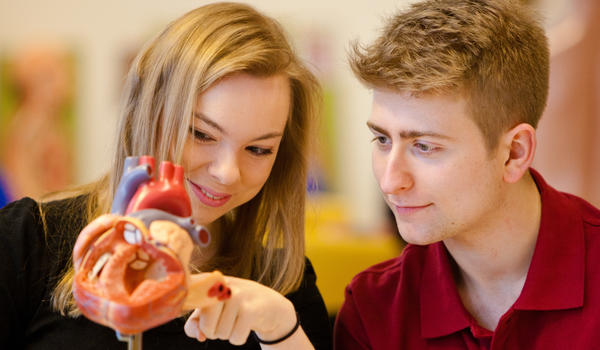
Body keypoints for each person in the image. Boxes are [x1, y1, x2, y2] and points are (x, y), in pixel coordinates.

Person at [0, 3, 332, 349]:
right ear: (149, 114)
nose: (227, 173)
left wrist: (281, 330)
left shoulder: (284, 285)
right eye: (201, 134)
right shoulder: (26, 241)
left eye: (258, 149)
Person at [334, 0, 600, 349]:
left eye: (425, 146)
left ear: (514, 152)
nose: (390, 181)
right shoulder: (373, 309)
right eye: (382, 139)